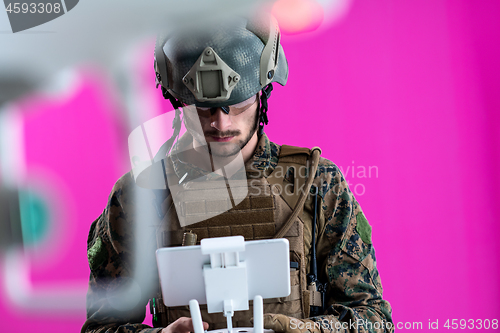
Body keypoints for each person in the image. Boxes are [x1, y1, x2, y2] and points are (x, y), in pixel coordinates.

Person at [82, 14, 393, 333]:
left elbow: (376, 320)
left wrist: (307, 331)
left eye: (237, 103)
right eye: (203, 107)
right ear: (178, 99)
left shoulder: (316, 184)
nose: (221, 123)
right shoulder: (140, 197)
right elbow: (100, 328)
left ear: (263, 92)